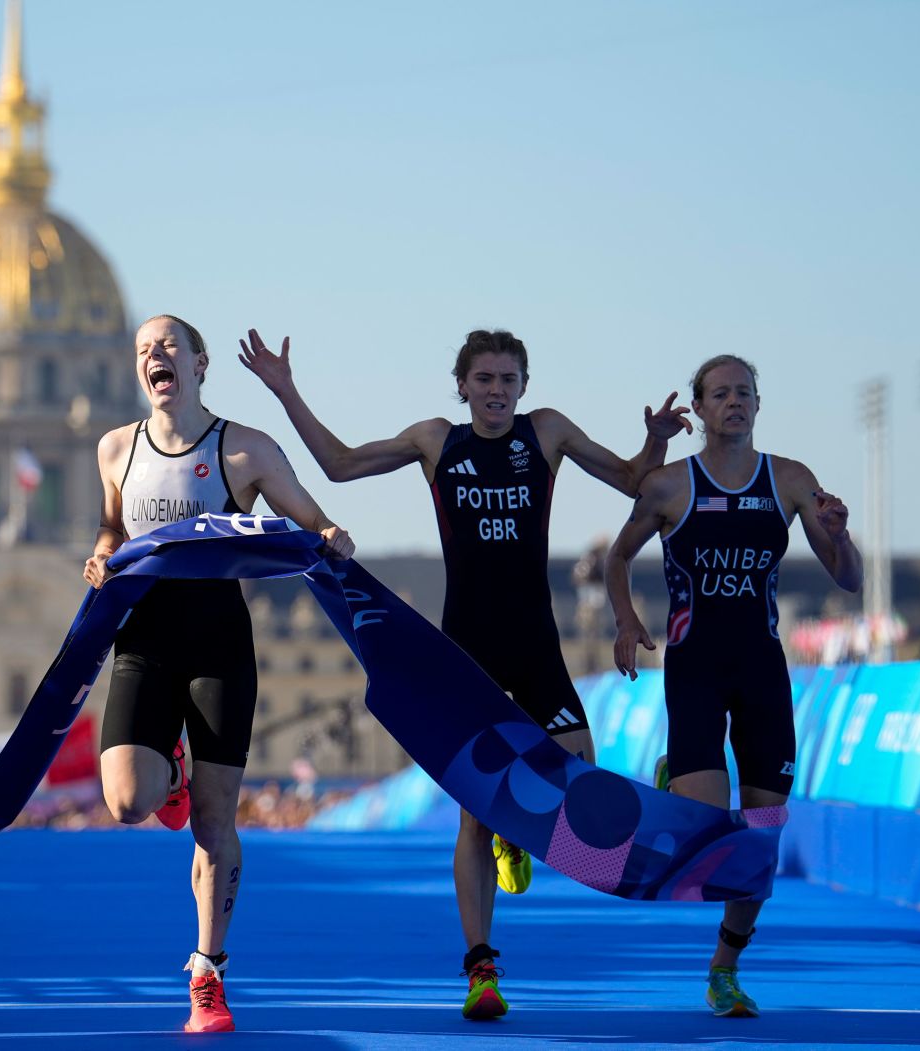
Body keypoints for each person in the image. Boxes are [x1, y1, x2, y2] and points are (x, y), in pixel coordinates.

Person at [239, 326, 688, 1020]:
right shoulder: (434, 442)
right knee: (474, 817)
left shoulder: (547, 433)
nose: (497, 393)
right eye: (484, 380)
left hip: (536, 646)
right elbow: (338, 464)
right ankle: (482, 968)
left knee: (581, 790)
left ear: (523, 388)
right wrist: (285, 387)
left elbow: (636, 480)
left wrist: (655, 438)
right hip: (466, 654)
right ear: (462, 386)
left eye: (509, 380)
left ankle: (525, 832)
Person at [84, 314, 354, 1034]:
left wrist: (329, 535)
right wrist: (102, 550)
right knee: (126, 801)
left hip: (218, 644)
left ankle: (209, 972)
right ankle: (168, 767)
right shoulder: (116, 449)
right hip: (143, 638)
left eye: (169, 345)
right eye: (144, 349)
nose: (156, 356)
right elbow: (114, 526)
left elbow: (308, 519)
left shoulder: (245, 450)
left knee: (214, 820)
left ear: (200, 363)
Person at [604, 354, 862, 1018]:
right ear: (701, 410)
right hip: (695, 666)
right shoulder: (668, 486)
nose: (735, 401)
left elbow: (849, 578)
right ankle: (676, 774)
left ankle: (725, 965)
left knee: (763, 836)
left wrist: (839, 537)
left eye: (745, 392)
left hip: (761, 669)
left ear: (757, 404)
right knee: (707, 830)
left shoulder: (790, 479)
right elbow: (617, 556)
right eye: (721, 393)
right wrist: (628, 619)